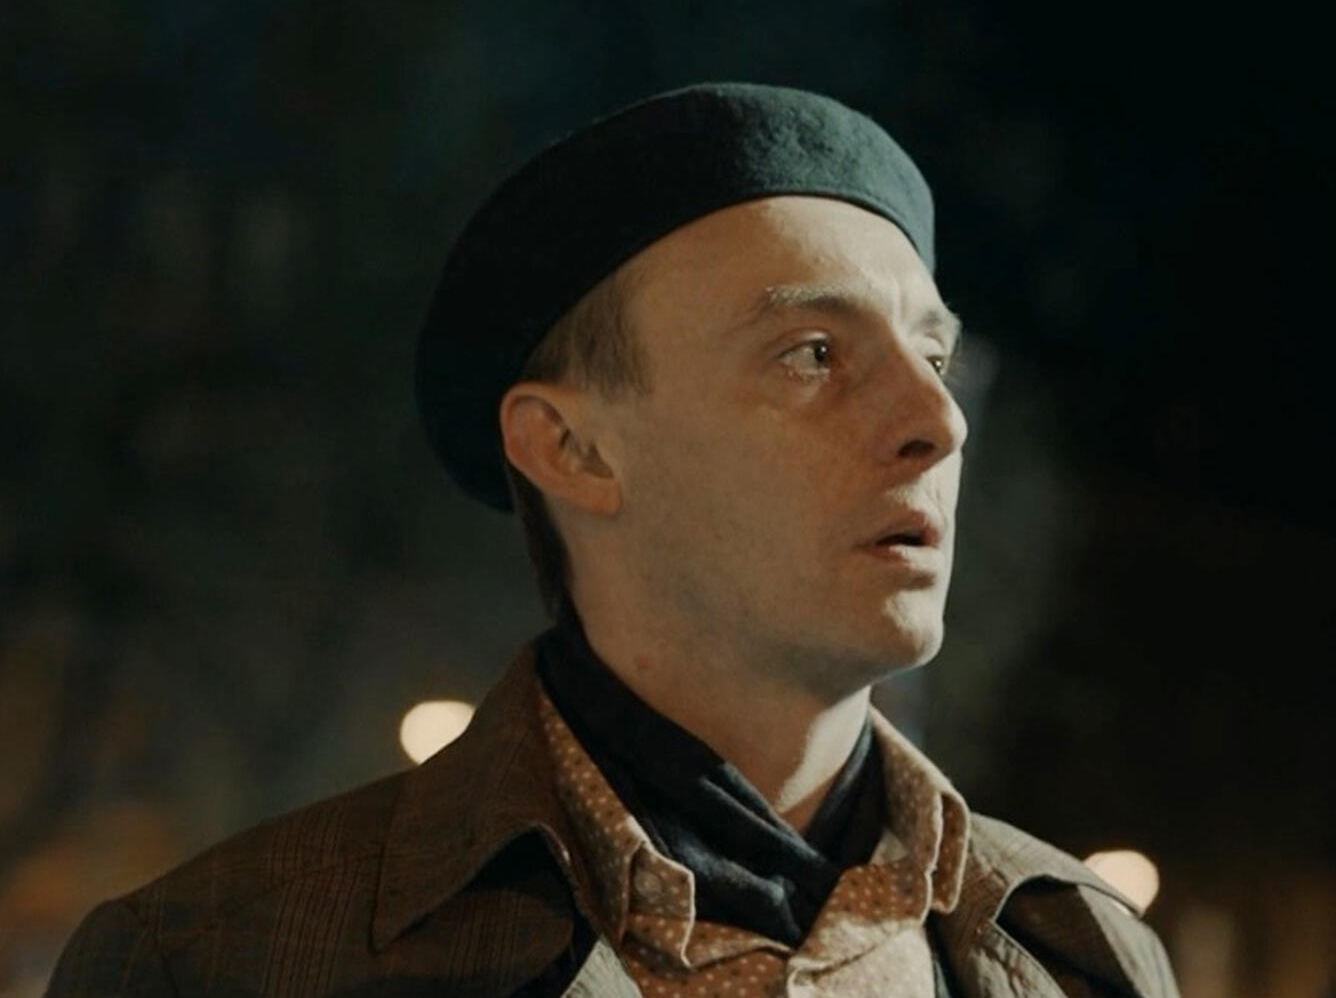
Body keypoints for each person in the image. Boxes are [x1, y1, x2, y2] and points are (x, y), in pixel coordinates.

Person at [48, 83, 1180, 997]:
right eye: (812, 354)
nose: (938, 421)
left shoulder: (1082, 954)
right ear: (571, 448)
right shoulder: (222, 962)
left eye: (933, 356)